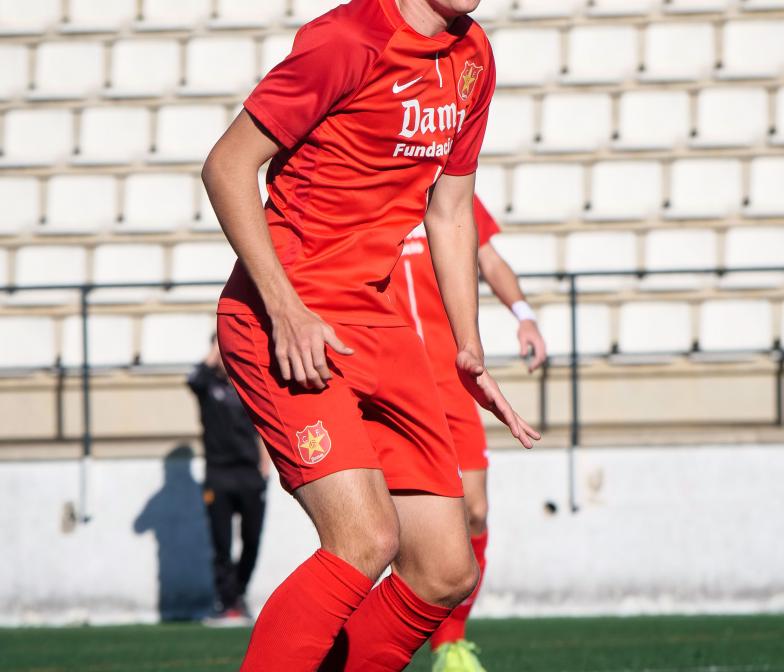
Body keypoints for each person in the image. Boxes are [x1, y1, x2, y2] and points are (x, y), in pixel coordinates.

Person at [201, 0, 540, 669]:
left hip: (377, 321)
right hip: (287, 318)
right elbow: (226, 165)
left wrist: (468, 346)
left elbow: (450, 210)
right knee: (365, 538)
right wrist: (285, 308)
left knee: (446, 569)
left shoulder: (474, 56)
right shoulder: (348, 38)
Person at [391, 195, 547, 671]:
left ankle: (451, 642)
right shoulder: (377, 187)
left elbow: (489, 259)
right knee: (400, 532)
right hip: (392, 386)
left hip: (452, 381)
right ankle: (396, 644)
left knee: (474, 511)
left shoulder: (447, 193)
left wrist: (524, 316)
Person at [187, 336, 271, 624]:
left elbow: (263, 429)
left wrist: (265, 468)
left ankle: (238, 595)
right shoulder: (206, 384)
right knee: (221, 543)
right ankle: (225, 602)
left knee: (252, 540)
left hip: (249, 474)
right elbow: (192, 380)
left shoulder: (249, 384)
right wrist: (215, 347)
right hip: (218, 474)